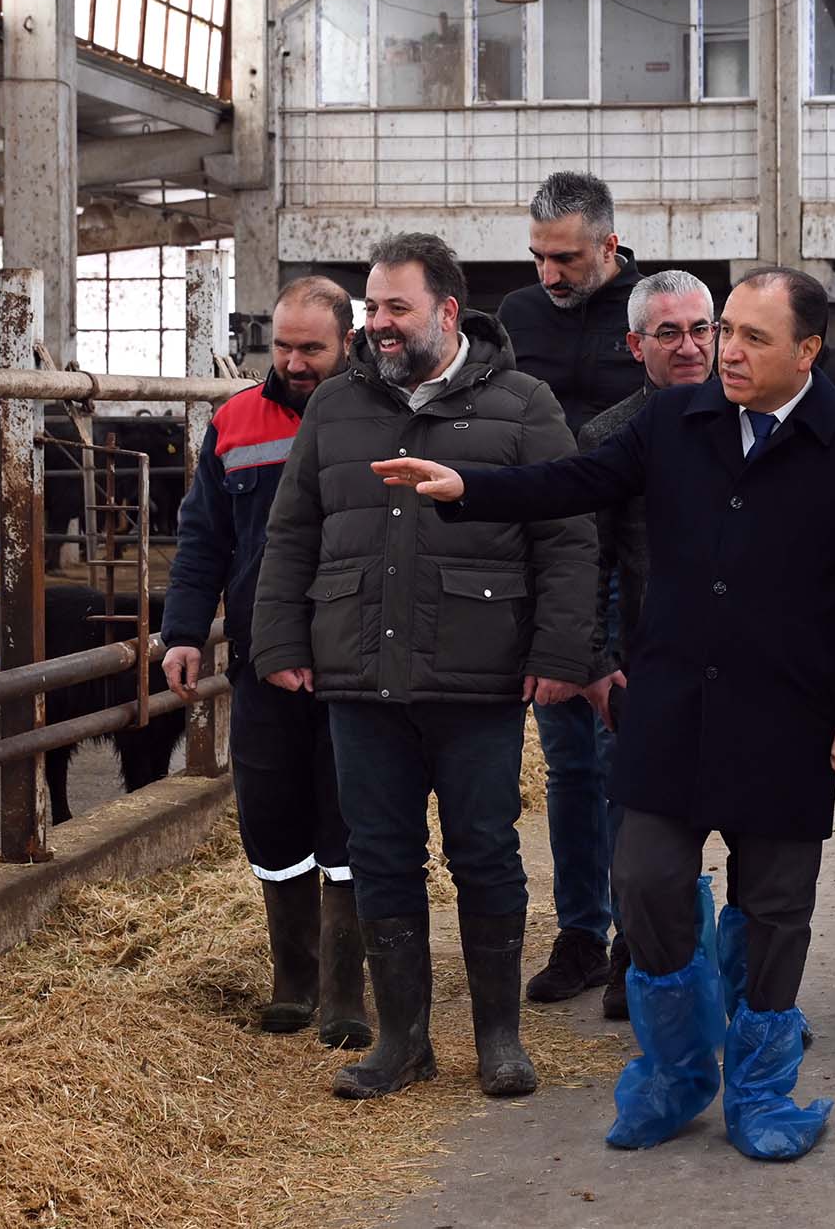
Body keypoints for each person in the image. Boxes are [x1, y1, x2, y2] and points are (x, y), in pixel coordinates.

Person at [372, 265, 835, 1162]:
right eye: (726, 329)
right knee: (648, 879)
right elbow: (575, 480)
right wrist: (470, 487)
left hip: (790, 713)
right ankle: (676, 1068)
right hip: (672, 702)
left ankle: (761, 1088)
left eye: (753, 338)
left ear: (809, 350)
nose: (727, 351)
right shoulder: (673, 420)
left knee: (775, 908)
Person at [250, 233, 597, 1102]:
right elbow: (292, 531)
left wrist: (562, 651)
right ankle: (403, 1041)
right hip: (360, 673)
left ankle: (499, 1037)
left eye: (395, 307)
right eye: (372, 307)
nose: (379, 323)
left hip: (478, 674)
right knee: (379, 854)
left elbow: (567, 533)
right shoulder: (337, 405)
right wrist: (279, 641)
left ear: (447, 310)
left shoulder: (521, 404)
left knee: (485, 849)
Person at [161, 277, 368, 1049]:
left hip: (354, 658)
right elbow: (203, 538)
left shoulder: (378, 417)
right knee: (272, 813)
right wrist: (183, 632)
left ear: (348, 342)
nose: (295, 361)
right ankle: (295, 978)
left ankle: (347, 989)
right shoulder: (235, 421)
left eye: (312, 347)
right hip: (260, 658)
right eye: (282, 346)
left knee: (350, 815)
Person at [497, 172, 644, 1005]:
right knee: (569, 763)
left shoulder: (652, 312)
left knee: (628, 753)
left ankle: (637, 941)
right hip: (548, 561)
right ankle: (582, 932)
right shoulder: (518, 318)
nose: (549, 274)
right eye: (539, 258)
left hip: (632, 562)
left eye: (567, 259)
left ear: (609, 246)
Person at [576, 268, 718, 1020]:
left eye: (700, 330)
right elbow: (590, 561)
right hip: (646, 668)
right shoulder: (610, 436)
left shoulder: (756, 418)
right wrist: (599, 667)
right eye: (669, 333)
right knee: (634, 825)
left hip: (746, 670)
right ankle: (633, 953)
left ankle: (746, 977)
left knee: (759, 831)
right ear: (637, 345)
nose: (689, 347)